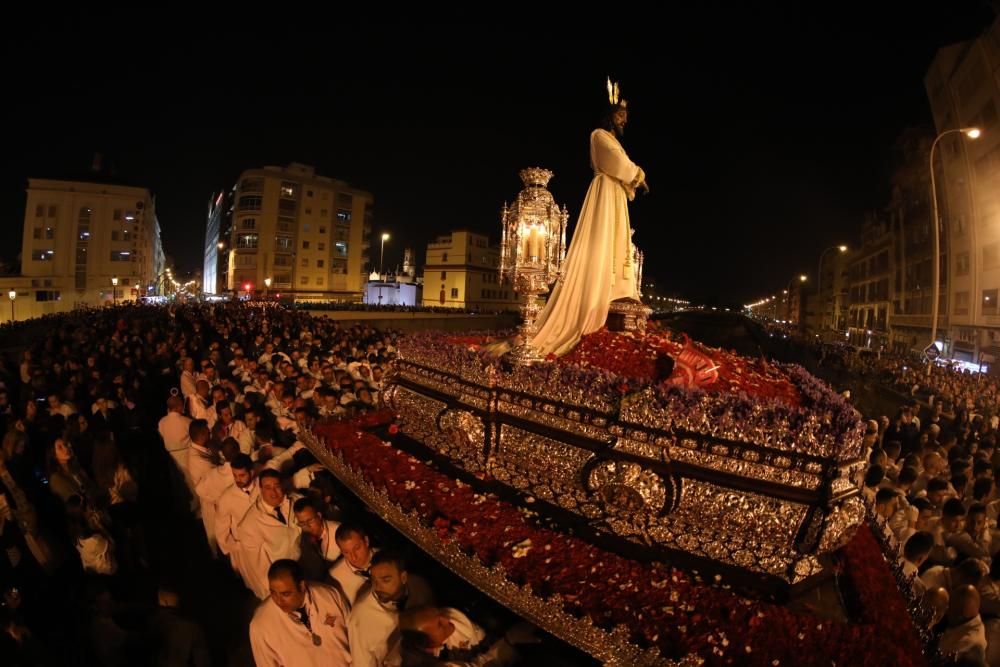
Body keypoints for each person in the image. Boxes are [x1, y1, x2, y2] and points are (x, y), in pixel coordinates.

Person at [529, 77, 648, 357]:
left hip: (616, 194)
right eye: (620, 115)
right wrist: (639, 175)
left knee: (617, 244)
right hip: (605, 192)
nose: (624, 121)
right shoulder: (599, 135)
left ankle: (616, 289)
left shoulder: (610, 139)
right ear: (609, 116)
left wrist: (633, 176)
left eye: (625, 116)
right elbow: (618, 164)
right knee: (601, 239)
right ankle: (594, 297)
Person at [249, 559, 350, 666]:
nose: (278, 601)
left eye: (285, 594)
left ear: (301, 586)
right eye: (273, 593)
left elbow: (354, 638)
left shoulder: (329, 596)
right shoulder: (261, 624)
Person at [349, 550, 435, 667]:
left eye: (386, 580)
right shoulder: (360, 617)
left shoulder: (420, 588)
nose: (377, 587)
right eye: (374, 580)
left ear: (403, 577)